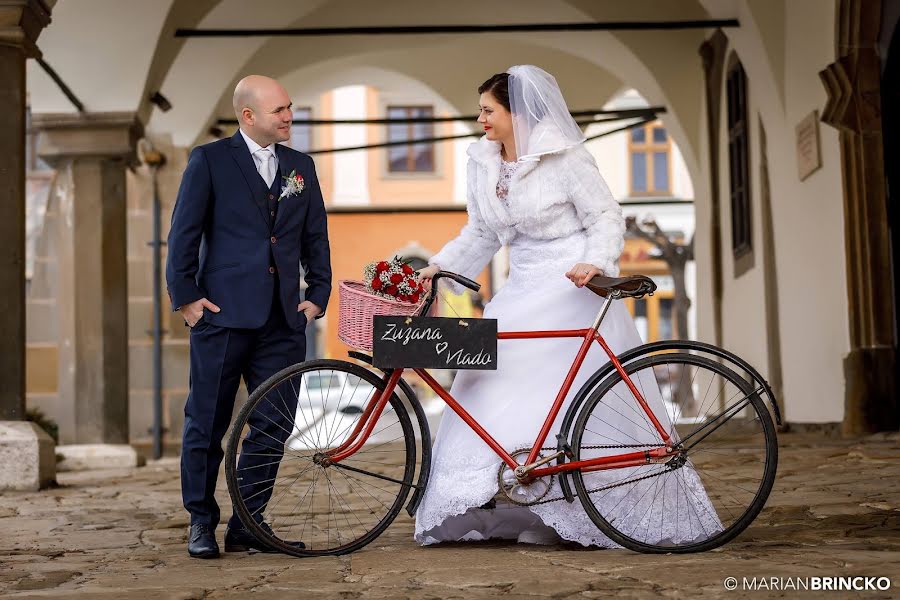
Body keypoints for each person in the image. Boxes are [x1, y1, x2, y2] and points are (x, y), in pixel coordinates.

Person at [414, 65, 718, 547]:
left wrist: (594, 262)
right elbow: (482, 232)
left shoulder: (565, 156)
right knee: (481, 378)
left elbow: (604, 215)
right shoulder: (483, 161)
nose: (481, 120)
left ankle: (578, 506)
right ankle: (514, 494)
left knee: (562, 401)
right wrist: (439, 266)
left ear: (517, 112)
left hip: (571, 284)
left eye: (488, 110)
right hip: (520, 287)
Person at [165, 75, 331, 558]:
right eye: (279, 109)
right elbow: (184, 232)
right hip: (221, 316)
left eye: (290, 107)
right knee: (206, 423)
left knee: (274, 424)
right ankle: (201, 520)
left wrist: (317, 293)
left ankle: (249, 521)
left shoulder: (301, 166)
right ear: (248, 116)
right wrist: (187, 299)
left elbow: (315, 235)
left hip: (283, 320)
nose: (289, 116)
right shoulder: (210, 161)